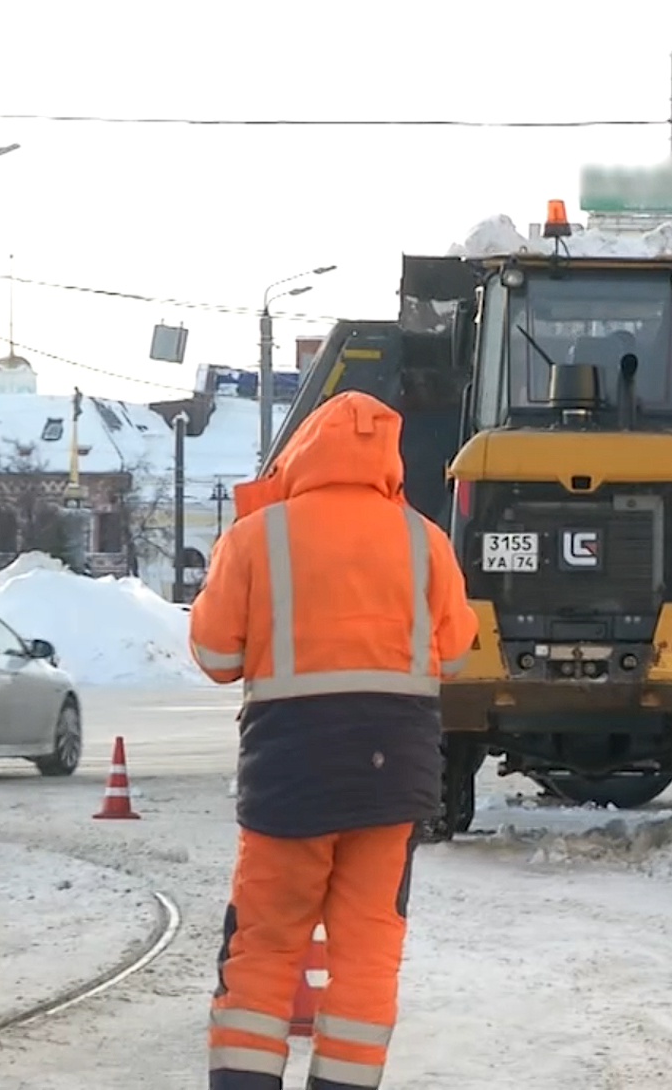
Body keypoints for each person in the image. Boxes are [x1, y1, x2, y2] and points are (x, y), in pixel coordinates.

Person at [189, 390, 477, 1090]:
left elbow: (214, 655)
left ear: (303, 455)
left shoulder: (261, 536)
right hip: (392, 779)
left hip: (290, 774)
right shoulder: (423, 539)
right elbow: (458, 651)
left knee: (264, 943)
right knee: (369, 949)